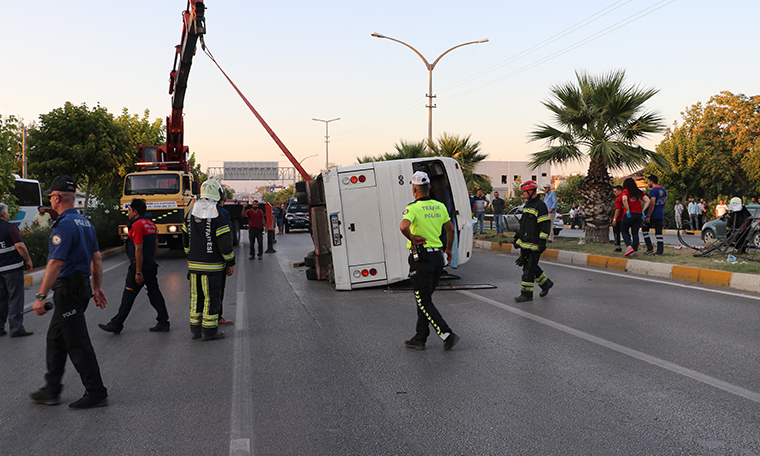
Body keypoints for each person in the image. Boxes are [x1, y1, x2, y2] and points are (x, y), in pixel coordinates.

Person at [30, 175, 109, 409]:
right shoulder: (86, 223)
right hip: (81, 287)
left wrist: (40, 297)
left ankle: (96, 391)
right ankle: (51, 389)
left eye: (50, 197)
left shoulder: (63, 225)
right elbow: (97, 258)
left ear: (56, 198)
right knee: (56, 338)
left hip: (68, 290)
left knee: (77, 342)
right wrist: (96, 287)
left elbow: (55, 264)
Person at [400, 171, 459, 351]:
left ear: (414, 189)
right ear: (430, 188)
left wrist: (412, 237)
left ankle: (446, 334)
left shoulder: (413, 208)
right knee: (424, 299)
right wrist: (448, 249)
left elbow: (403, 226)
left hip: (422, 259)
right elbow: (451, 230)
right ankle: (420, 338)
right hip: (437, 259)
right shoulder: (439, 206)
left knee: (423, 299)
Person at [98, 198, 170, 335]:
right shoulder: (150, 224)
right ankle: (163, 322)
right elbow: (155, 245)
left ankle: (116, 324)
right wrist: (151, 260)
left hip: (139, 267)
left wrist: (138, 271)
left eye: (129, 210)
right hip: (150, 265)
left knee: (128, 296)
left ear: (135, 212)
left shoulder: (136, 226)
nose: (128, 213)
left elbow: (138, 249)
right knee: (155, 294)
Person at [182, 178, 234, 341]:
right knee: (211, 298)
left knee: (196, 298)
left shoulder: (190, 213)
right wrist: (230, 262)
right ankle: (210, 331)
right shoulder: (218, 215)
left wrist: (189, 256)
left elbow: (185, 239)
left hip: (194, 266)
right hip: (213, 267)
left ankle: (195, 330)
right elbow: (224, 243)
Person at [512, 180, 553, 302]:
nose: (524, 194)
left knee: (528, 269)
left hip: (534, 244)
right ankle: (546, 284)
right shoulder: (528, 205)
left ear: (531, 191)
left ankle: (526, 294)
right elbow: (523, 225)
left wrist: (542, 241)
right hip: (525, 243)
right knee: (531, 266)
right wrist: (517, 238)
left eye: (525, 192)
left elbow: (545, 225)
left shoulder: (540, 206)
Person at [0, 202, 34, 337]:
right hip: (12, 269)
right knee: (15, 298)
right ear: (3, 214)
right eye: (7, 212)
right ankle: (16, 328)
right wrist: (28, 259)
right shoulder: (10, 227)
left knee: (1, 299)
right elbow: (20, 246)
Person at [215, 190, 233, 326]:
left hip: (196, 261)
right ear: (224, 199)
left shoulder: (194, 213)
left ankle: (198, 321)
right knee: (217, 289)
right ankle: (217, 316)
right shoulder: (222, 214)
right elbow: (225, 239)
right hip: (216, 260)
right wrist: (230, 262)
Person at [620, 178, 648, 257]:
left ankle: (629, 246)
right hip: (638, 214)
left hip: (629, 214)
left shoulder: (626, 191)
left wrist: (628, 209)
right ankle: (635, 251)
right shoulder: (639, 192)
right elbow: (648, 200)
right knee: (635, 232)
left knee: (624, 230)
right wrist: (643, 210)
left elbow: (624, 200)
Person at [642, 175, 667, 256]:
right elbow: (665, 201)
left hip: (653, 215)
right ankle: (660, 251)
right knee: (659, 233)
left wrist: (648, 215)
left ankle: (650, 249)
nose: (648, 183)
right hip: (660, 214)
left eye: (648, 181)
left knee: (645, 230)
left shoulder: (653, 191)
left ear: (652, 182)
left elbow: (652, 203)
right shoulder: (663, 189)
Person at [611, 185, 624, 252]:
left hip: (619, 219)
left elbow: (618, 210)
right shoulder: (625, 197)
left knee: (616, 233)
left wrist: (614, 219)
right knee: (625, 233)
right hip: (624, 218)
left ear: (620, 191)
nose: (614, 193)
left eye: (615, 191)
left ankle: (618, 247)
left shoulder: (618, 199)